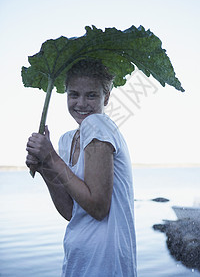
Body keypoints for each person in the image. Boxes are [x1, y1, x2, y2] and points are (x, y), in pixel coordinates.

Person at [26, 59, 137, 277]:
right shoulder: (68, 140)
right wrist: (45, 167)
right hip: (78, 261)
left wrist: (51, 158)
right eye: (74, 94)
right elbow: (70, 211)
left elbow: (98, 207)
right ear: (66, 94)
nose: (81, 103)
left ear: (106, 97)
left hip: (106, 263)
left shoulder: (98, 125)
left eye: (91, 95)